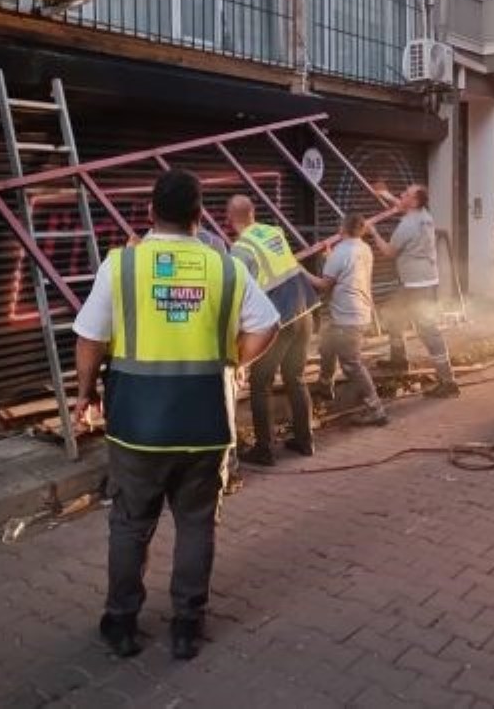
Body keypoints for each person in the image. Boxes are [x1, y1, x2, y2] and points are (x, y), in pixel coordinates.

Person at [73, 169, 278, 661]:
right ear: (198, 215)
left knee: (129, 524)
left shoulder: (122, 266)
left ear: (150, 213)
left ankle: (121, 623)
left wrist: (85, 394)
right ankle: (187, 625)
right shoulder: (224, 266)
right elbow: (267, 325)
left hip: (137, 428)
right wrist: (234, 362)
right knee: (196, 524)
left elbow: (90, 338)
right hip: (204, 424)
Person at [226, 196, 321, 465]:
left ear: (230, 219)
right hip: (304, 312)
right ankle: (305, 441)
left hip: (278, 321)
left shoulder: (239, 250)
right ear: (253, 213)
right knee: (296, 378)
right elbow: (292, 266)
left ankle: (264, 450)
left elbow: (239, 296)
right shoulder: (273, 231)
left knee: (260, 384)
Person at [370, 183, 459, 398]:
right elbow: (402, 206)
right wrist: (387, 195)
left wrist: (372, 231)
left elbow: (389, 252)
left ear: (415, 201)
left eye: (406, 195)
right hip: (417, 282)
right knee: (393, 315)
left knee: (427, 330)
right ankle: (399, 360)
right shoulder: (423, 214)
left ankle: (448, 382)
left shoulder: (408, 226)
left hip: (418, 285)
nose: (401, 195)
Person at [314, 213, 387, 425]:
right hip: (358, 311)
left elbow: (324, 285)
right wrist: (331, 258)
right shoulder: (363, 248)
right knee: (327, 345)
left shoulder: (341, 252)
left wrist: (298, 270)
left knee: (351, 363)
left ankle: (377, 409)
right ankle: (325, 387)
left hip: (348, 315)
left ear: (341, 229)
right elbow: (347, 269)